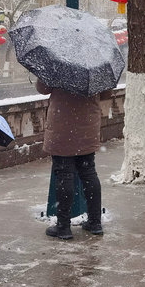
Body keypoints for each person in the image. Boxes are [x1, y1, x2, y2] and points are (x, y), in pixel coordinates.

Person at [37, 79, 104, 239]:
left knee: (64, 175)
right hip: (88, 126)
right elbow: (106, 92)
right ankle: (95, 222)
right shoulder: (94, 61)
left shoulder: (58, 61)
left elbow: (43, 88)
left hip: (63, 127)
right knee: (89, 173)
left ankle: (63, 226)